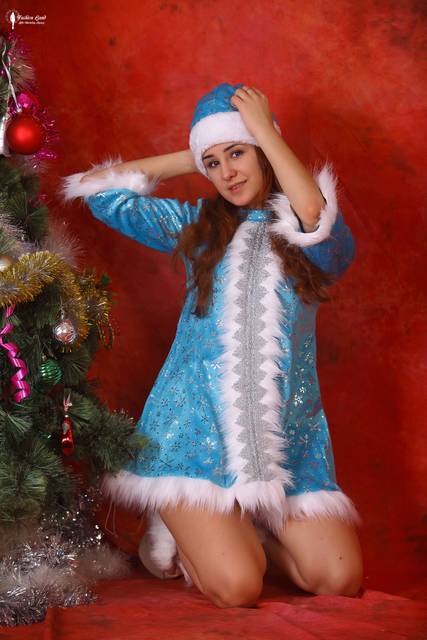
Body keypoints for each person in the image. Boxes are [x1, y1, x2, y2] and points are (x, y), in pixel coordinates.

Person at [63, 83, 363, 608]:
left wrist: (262, 130)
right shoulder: (198, 228)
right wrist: (194, 154)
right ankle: (177, 530)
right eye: (214, 163)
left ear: (265, 149)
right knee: (238, 588)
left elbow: (315, 216)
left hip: (288, 450)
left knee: (338, 579)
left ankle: (253, 528)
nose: (227, 172)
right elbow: (95, 191)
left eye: (238, 153)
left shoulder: (310, 234)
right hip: (190, 442)